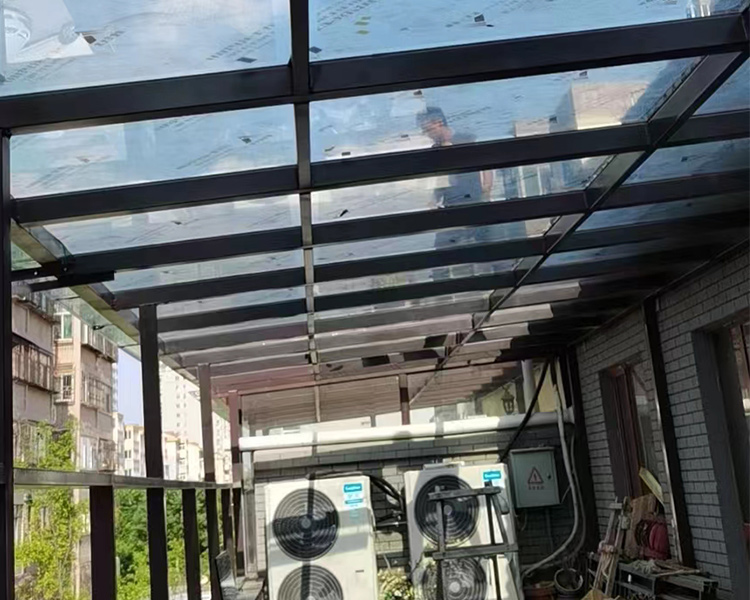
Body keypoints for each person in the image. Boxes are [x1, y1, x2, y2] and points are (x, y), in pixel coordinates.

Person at [417, 107, 495, 281]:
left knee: (487, 243)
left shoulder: (465, 139)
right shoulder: (435, 149)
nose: (427, 134)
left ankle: (499, 275)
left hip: (474, 200)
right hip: (451, 204)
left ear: (438, 122)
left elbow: (485, 164)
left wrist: (487, 189)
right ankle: (440, 282)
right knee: (443, 249)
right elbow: (440, 179)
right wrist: (433, 199)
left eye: (427, 129)